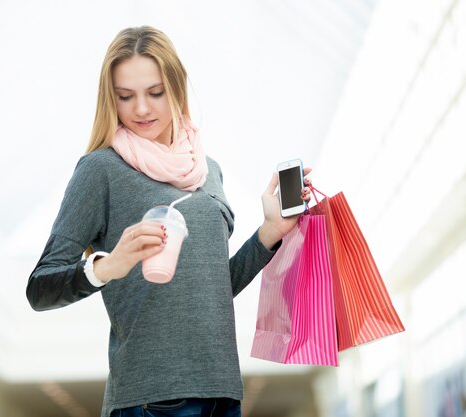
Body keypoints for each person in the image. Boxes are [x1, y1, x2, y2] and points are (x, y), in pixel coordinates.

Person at [26, 26, 311, 417]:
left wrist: (269, 233)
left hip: (223, 391)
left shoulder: (208, 171)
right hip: (152, 399)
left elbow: (210, 289)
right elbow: (40, 289)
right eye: (125, 96)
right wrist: (109, 266)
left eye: (155, 92)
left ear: (176, 89)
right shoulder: (101, 170)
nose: (141, 109)